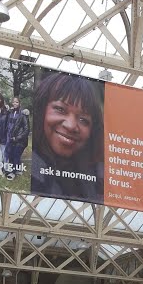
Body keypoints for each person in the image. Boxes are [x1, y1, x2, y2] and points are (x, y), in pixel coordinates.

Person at [31, 71, 104, 203]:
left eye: (83, 120)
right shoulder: (26, 168)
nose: (71, 126)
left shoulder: (96, 178)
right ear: (41, 109)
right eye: (60, 109)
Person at [4, 97, 30, 181]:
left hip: (20, 140)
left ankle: (13, 173)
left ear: (19, 103)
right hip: (11, 138)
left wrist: (17, 138)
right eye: (14, 102)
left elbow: (26, 130)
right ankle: (16, 169)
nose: (15, 103)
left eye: (17, 102)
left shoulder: (23, 114)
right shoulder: (11, 112)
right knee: (11, 154)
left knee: (16, 155)